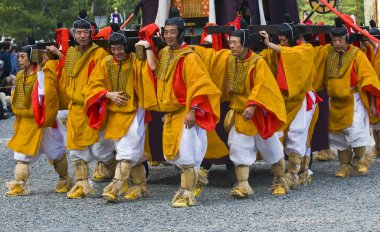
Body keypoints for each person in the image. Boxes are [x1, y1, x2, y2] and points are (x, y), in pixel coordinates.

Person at [194, 29, 289, 197]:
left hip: (260, 115)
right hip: (240, 114)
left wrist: (252, 106)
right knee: (238, 149)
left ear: (244, 44)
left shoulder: (258, 62)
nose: (231, 46)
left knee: (273, 149)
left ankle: (280, 181)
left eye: (235, 43)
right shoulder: (229, 59)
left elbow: (263, 85)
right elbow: (210, 57)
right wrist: (190, 49)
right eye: (230, 42)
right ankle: (243, 186)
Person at [138, 17, 221, 207]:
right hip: (172, 113)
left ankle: (187, 194)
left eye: (172, 32)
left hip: (186, 113)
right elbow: (156, 70)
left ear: (181, 33)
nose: (168, 36)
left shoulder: (190, 57)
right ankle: (196, 179)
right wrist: (149, 47)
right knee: (172, 156)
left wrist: (192, 110)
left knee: (185, 155)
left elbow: (199, 85)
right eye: (166, 32)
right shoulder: (166, 52)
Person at [47, 10, 116, 199]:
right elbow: (68, 76)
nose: (82, 36)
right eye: (78, 33)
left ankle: (117, 170)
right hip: (75, 108)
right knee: (76, 149)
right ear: (73, 34)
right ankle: (81, 184)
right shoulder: (70, 53)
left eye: (85, 33)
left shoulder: (100, 53)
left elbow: (103, 79)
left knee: (99, 148)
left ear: (91, 34)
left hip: (94, 106)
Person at [83, 24, 151, 202]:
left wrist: (148, 47)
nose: (116, 52)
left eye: (119, 48)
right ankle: (140, 185)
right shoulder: (105, 63)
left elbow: (150, 72)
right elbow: (92, 85)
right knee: (102, 150)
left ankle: (115, 187)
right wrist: (108, 94)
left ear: (126, 47)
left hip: (133, 113)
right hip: (112, 115)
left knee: (127, 152)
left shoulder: (136, 61)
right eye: (112, 49)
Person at [313, 18, 380, 177]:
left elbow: (369, 80)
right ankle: (344, 166)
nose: (337, 43)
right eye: (334, 40)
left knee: (355, 131)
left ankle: (360, 161)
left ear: (346, 39)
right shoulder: (326, 52)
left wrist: (371, 104)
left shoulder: (357, 55)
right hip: (334, 102)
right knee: (338, 136)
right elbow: (308, 55)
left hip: (353, 100)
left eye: (340, 40)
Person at [259, 19, 321, 188]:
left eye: (285, 40)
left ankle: (294, 174)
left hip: (303, 98)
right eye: (280, 40)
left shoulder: (305, 49)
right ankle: (301, 171)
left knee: (298, 132)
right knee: (283, 133)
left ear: (293, 37)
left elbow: (291, 55)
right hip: (285, 99)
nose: (282, 43)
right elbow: (263, 58)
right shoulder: (277, 50)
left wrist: (269, 43)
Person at [5, 45, 70, 196]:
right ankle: (19, 184)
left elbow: (47, 94)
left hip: (45, 122)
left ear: (32, 57)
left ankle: (64, 179)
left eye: (23, 56)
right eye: (18, 56)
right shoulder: (20, 75)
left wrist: (40, 70)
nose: (19, 59)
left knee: (57, 153)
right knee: (21, 156)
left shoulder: (46, 72)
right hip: (27, 122)